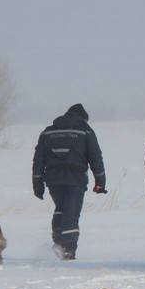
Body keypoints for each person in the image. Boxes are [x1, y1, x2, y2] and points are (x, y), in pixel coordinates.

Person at [32, 103, 107, 260]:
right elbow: (95, 157)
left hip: (53, 181)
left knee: (61, 209)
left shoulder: (49, 131)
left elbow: (38, 159)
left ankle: (58, 245)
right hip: (76, 179)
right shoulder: (85, 130)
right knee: (71, 214)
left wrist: (37, 183)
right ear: (83, 118)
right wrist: (100, 181)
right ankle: (68, 251)